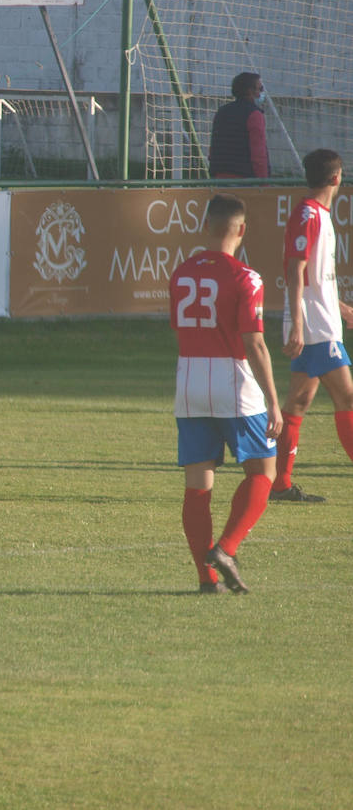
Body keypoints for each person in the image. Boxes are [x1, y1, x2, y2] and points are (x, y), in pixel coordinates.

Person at [169, 194, 281, 593]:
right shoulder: (245, 277)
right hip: (231, 383)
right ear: (242, 230)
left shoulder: (181, 273)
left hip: (189, 382)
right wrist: (272, 399)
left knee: (198, 484)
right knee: (265, 471)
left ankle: (206, 580)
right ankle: (227, 548)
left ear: (206, 226)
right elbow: (255, 343)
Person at [271, 148, 353, 503]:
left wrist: (342, 308)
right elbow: (294, 269)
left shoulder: (316, 213)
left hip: (319, 321)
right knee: (347, 397)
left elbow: (315, 279)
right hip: (316, 328)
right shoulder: (309, 214)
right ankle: (279, 483)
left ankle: (279, 484)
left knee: (299, 402)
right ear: (337, 178)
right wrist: (298, 324)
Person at [208, 72, 269, 179]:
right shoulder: (254, 115)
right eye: (261, 89)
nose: (262, 93)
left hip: (219, 176)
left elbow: (213, 148)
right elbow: (258, 154)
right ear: (251, 91)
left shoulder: (222, 111)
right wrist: (263, 181)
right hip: (244, 179)